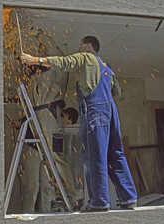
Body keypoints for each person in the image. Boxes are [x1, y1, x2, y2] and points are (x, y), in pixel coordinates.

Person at [20, 35, 137, 212]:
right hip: (111, 113)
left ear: (89, 46)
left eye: (81, 45)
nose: (79, 48)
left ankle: (99, 202)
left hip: (95, 111)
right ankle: (129, 198)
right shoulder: (106, 66)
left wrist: (36, 59)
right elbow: (117, 91)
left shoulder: (86, 57)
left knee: (93, 157)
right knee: (115, 154)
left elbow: (65, 62)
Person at [17, 43, 77, 213]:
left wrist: (41, 57)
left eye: (43, 51)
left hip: (51, 115)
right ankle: (55, 197)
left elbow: (57, 61)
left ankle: (69, 196)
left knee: (57, 156)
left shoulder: (57, 66)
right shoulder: (37, 74)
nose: (41, 52)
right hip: (39, 115)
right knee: (45, 157)